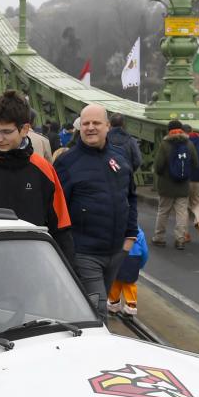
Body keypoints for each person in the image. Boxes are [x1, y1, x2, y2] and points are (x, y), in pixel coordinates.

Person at [0, 90, 74, 263]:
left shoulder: (43, 168)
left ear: (24, 129)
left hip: (33, 266)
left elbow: (61, 225)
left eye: (6, 132)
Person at [54, 105, 139, 319]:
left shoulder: (119, 158)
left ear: (108, 126)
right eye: (85, 124)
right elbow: (56, 209)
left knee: (89, 313)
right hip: (84, 254)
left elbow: (130, 197)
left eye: (96, 123)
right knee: (97, 313)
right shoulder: (67, 162)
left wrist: (129, 238)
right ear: (79, 127)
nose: (90, 128)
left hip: (115, 252)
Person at [154, 120, 195, 249]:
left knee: (163, 211)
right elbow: (196, 163)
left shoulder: (165, 144)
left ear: (168, 130)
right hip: (183, 185)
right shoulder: (189, 144)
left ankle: (159, 238)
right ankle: (180, 240)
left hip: (166, 185)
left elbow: (158, 166)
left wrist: (163, 173)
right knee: (181, 213)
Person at [107, 230, 148, 317]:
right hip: (134, 260)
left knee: (115, 282)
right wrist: (140, 264)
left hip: (118, 255)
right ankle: (131, 307)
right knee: (129, 284)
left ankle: (113, 305)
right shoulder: (139, 232)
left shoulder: (119, 227)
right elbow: (145, 252)